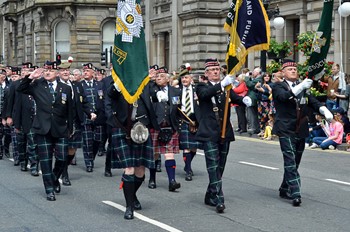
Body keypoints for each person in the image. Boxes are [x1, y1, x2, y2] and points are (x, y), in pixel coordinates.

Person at [272, 60, 333, 207]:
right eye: (290, 69)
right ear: (283, 72)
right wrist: (300, 87)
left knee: (296, 161)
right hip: (285, 128)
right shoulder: (278, 86)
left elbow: (312, 101)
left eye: (295, 68)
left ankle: (284, 187)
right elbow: (284, 97)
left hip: (301, 128)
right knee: (290, 160)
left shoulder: (303, 87)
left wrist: (324, 110)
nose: (293, 71)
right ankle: (295, 192)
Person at [195, 58, 252, 213]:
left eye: (217, 69)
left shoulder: (226, 87)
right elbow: (205, 95)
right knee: (213, 166)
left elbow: (234, 98)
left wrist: (244, 100)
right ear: (206, 73)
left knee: (220, 166)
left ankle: (210, 193)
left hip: (224, 131)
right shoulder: (201, 86)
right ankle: (219, 197)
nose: (215, 72)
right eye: (212, 70)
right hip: (210, 132)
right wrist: (222, 85)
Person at [17, 61, 74, 201]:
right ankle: (49, 190)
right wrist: (30, 77)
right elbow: (20, 88)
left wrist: (71, 128)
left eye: (51, 71)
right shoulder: (37, 85)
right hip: (43, 129)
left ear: (57, 73)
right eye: (46, 70)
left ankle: (54, 178)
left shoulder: (65, 88)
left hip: (60, 129)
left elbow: (70, 110)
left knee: (62, 158)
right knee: (46, 161)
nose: (48, 73)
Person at [106, 80, 158, 220]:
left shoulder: (145, 84)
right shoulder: (118, 83)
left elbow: (155, 97)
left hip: (141, 130)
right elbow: (109, 95)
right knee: (129, 168)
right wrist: (117, 85)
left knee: (140, 171)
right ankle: (129, 207)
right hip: (123, 128)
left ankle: (132, 194)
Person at [148, 67, 181, 191]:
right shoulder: (152, 89)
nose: (158, 78)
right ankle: (152, 178)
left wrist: (178, 124)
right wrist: (150, 78)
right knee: (154, 154)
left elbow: (178, 108)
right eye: (157, 76)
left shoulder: (176, 91)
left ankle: (172, 181)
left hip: (170, 126)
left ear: (168, 79)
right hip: (155, 126)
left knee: (169, 154)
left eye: (161, 76)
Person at [177, 72, 201, 181]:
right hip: (183, 120)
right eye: (182, 78)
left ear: (191, 78)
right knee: (186, 147)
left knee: (193, 147)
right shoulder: (177, 91)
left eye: (186, 77)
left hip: (195, 120)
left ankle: (188, 165)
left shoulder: (197, 90)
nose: (184, 79)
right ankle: (188, 170)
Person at [245, 67, 262, 135]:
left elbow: (249, 84)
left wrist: (246, 77)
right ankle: (255, 127)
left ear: (258, 73)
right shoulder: (255, 79)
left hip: (253, 98)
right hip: (253, 98)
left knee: (252, 114)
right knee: (253, 114)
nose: (252, 73)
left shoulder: (258, 79)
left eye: (254, 72)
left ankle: (253, 128)